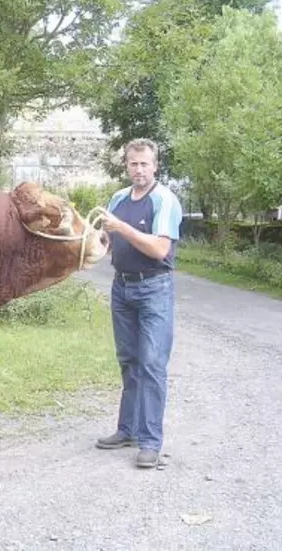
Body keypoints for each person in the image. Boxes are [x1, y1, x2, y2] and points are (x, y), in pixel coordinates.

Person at [97, 138, 183, 468]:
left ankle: (149, 442)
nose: (139, 169)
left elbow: (160, 249)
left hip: (154, 290)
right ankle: (127, 429)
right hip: (122, 288)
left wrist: (122, 228)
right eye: (133, 163)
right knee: (129, 360)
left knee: (151, 365)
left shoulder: (165, 200)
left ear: (155, 165)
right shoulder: (118, 198)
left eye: (145, 163)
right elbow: (108, 241)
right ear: (127, 165)